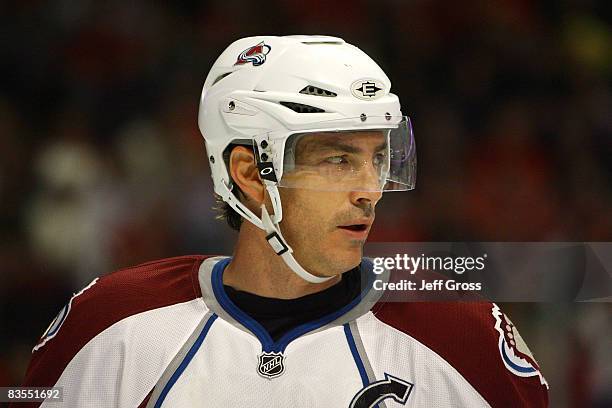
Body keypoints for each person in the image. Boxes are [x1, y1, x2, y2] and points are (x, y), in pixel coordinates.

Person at [17, 35, 548, 407]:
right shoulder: (109, 327)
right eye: (338, 160)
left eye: (378, 158)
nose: (370, 190)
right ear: (248, 172)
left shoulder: (464, 335)